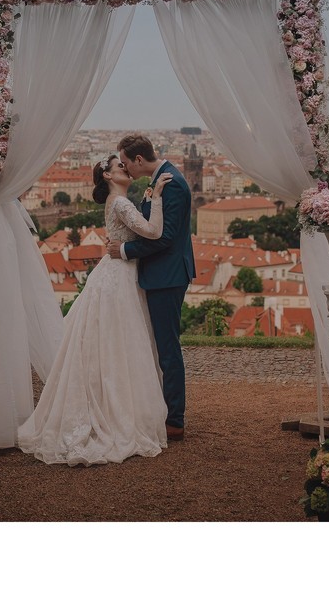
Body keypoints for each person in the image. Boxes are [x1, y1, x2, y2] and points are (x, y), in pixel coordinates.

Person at [17, 156, 172, 466]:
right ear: (107, 175)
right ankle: (121, 413)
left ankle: (110, 404)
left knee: (113, 343)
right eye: (119, 167)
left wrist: (144, 202)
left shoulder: (119, 201)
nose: (126, 169)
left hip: (114, 274)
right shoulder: (119, 203)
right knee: (123, 343)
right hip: (121, 278)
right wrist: (155, 200)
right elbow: (154, 232)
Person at [108, 133, 195, 441]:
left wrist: (124, 251)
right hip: (161, 274)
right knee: (158, 345)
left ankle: (175, 418)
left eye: (126, 162)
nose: (126, 168)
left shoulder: (171, 183)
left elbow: (166, 238)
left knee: (167, 348)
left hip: (167, 276)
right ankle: (163, 409)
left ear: (139, 160)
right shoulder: (162, 179)